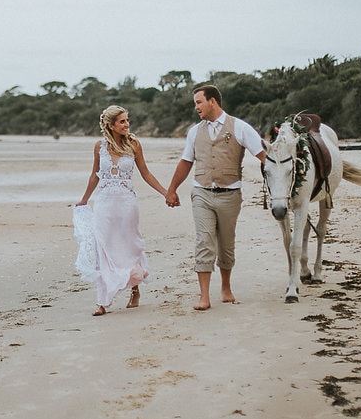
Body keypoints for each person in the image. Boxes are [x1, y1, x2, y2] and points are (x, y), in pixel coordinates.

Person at [165, 85, 266, 311]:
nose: (196, 107)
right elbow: (186, 161)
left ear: (213, 101)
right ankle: (204, 296)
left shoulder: (239, 127)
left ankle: (226, 287)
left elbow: (263, 156)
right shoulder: (194, 131)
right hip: (201, 192)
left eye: (199, 102)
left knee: (226, 244)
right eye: (195, 104)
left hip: (230, 194)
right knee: (204, 241)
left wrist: (279, 179)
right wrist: (172, 188)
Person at [75, 105, 173, 316]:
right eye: (122, 122)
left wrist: (166, 192)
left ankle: (135, 289)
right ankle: (102, 301)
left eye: (127, 120)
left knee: (130, 246)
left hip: (127, 203)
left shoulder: (134, 145)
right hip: (104, 203)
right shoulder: (99, 147)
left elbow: (146, 173)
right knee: (104, 248)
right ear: (110, 126)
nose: (127, 125)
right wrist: (84, 199)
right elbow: (95, 175)